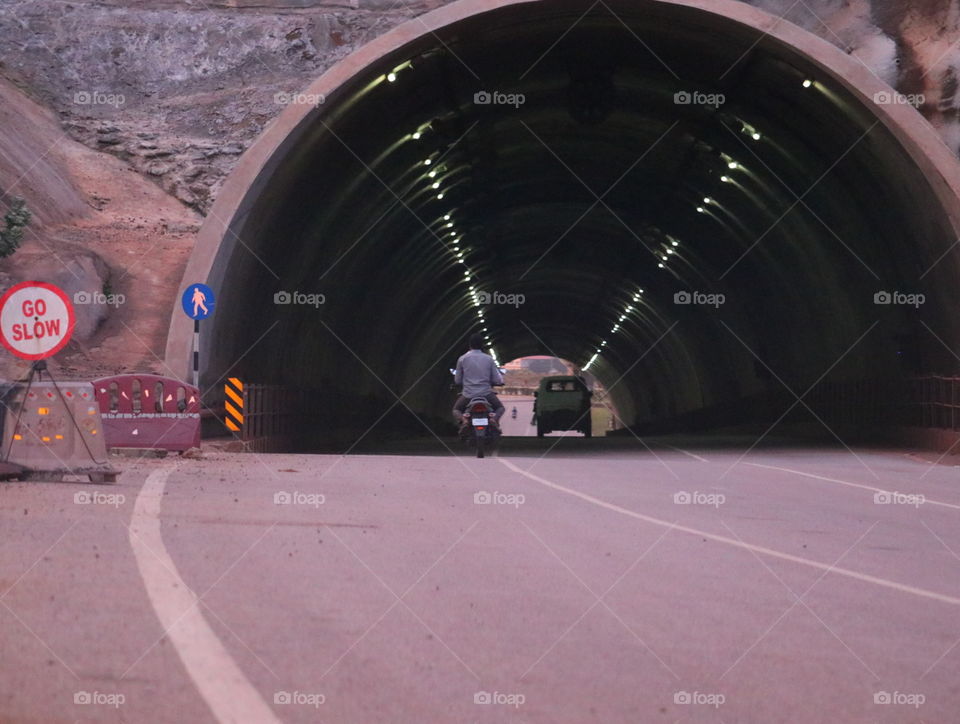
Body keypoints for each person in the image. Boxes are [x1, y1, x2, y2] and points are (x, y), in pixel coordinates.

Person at [452, 333, 505, 429]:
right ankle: (493, 420)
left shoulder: (462, 359)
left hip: (468, 394)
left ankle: (464, 420)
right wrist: (498, 382)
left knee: (456, 409)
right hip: (486, 394)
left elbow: (458, 380)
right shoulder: (489, 359)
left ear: (469, 345)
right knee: (500, 408)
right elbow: (496, 379)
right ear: (482, 345)